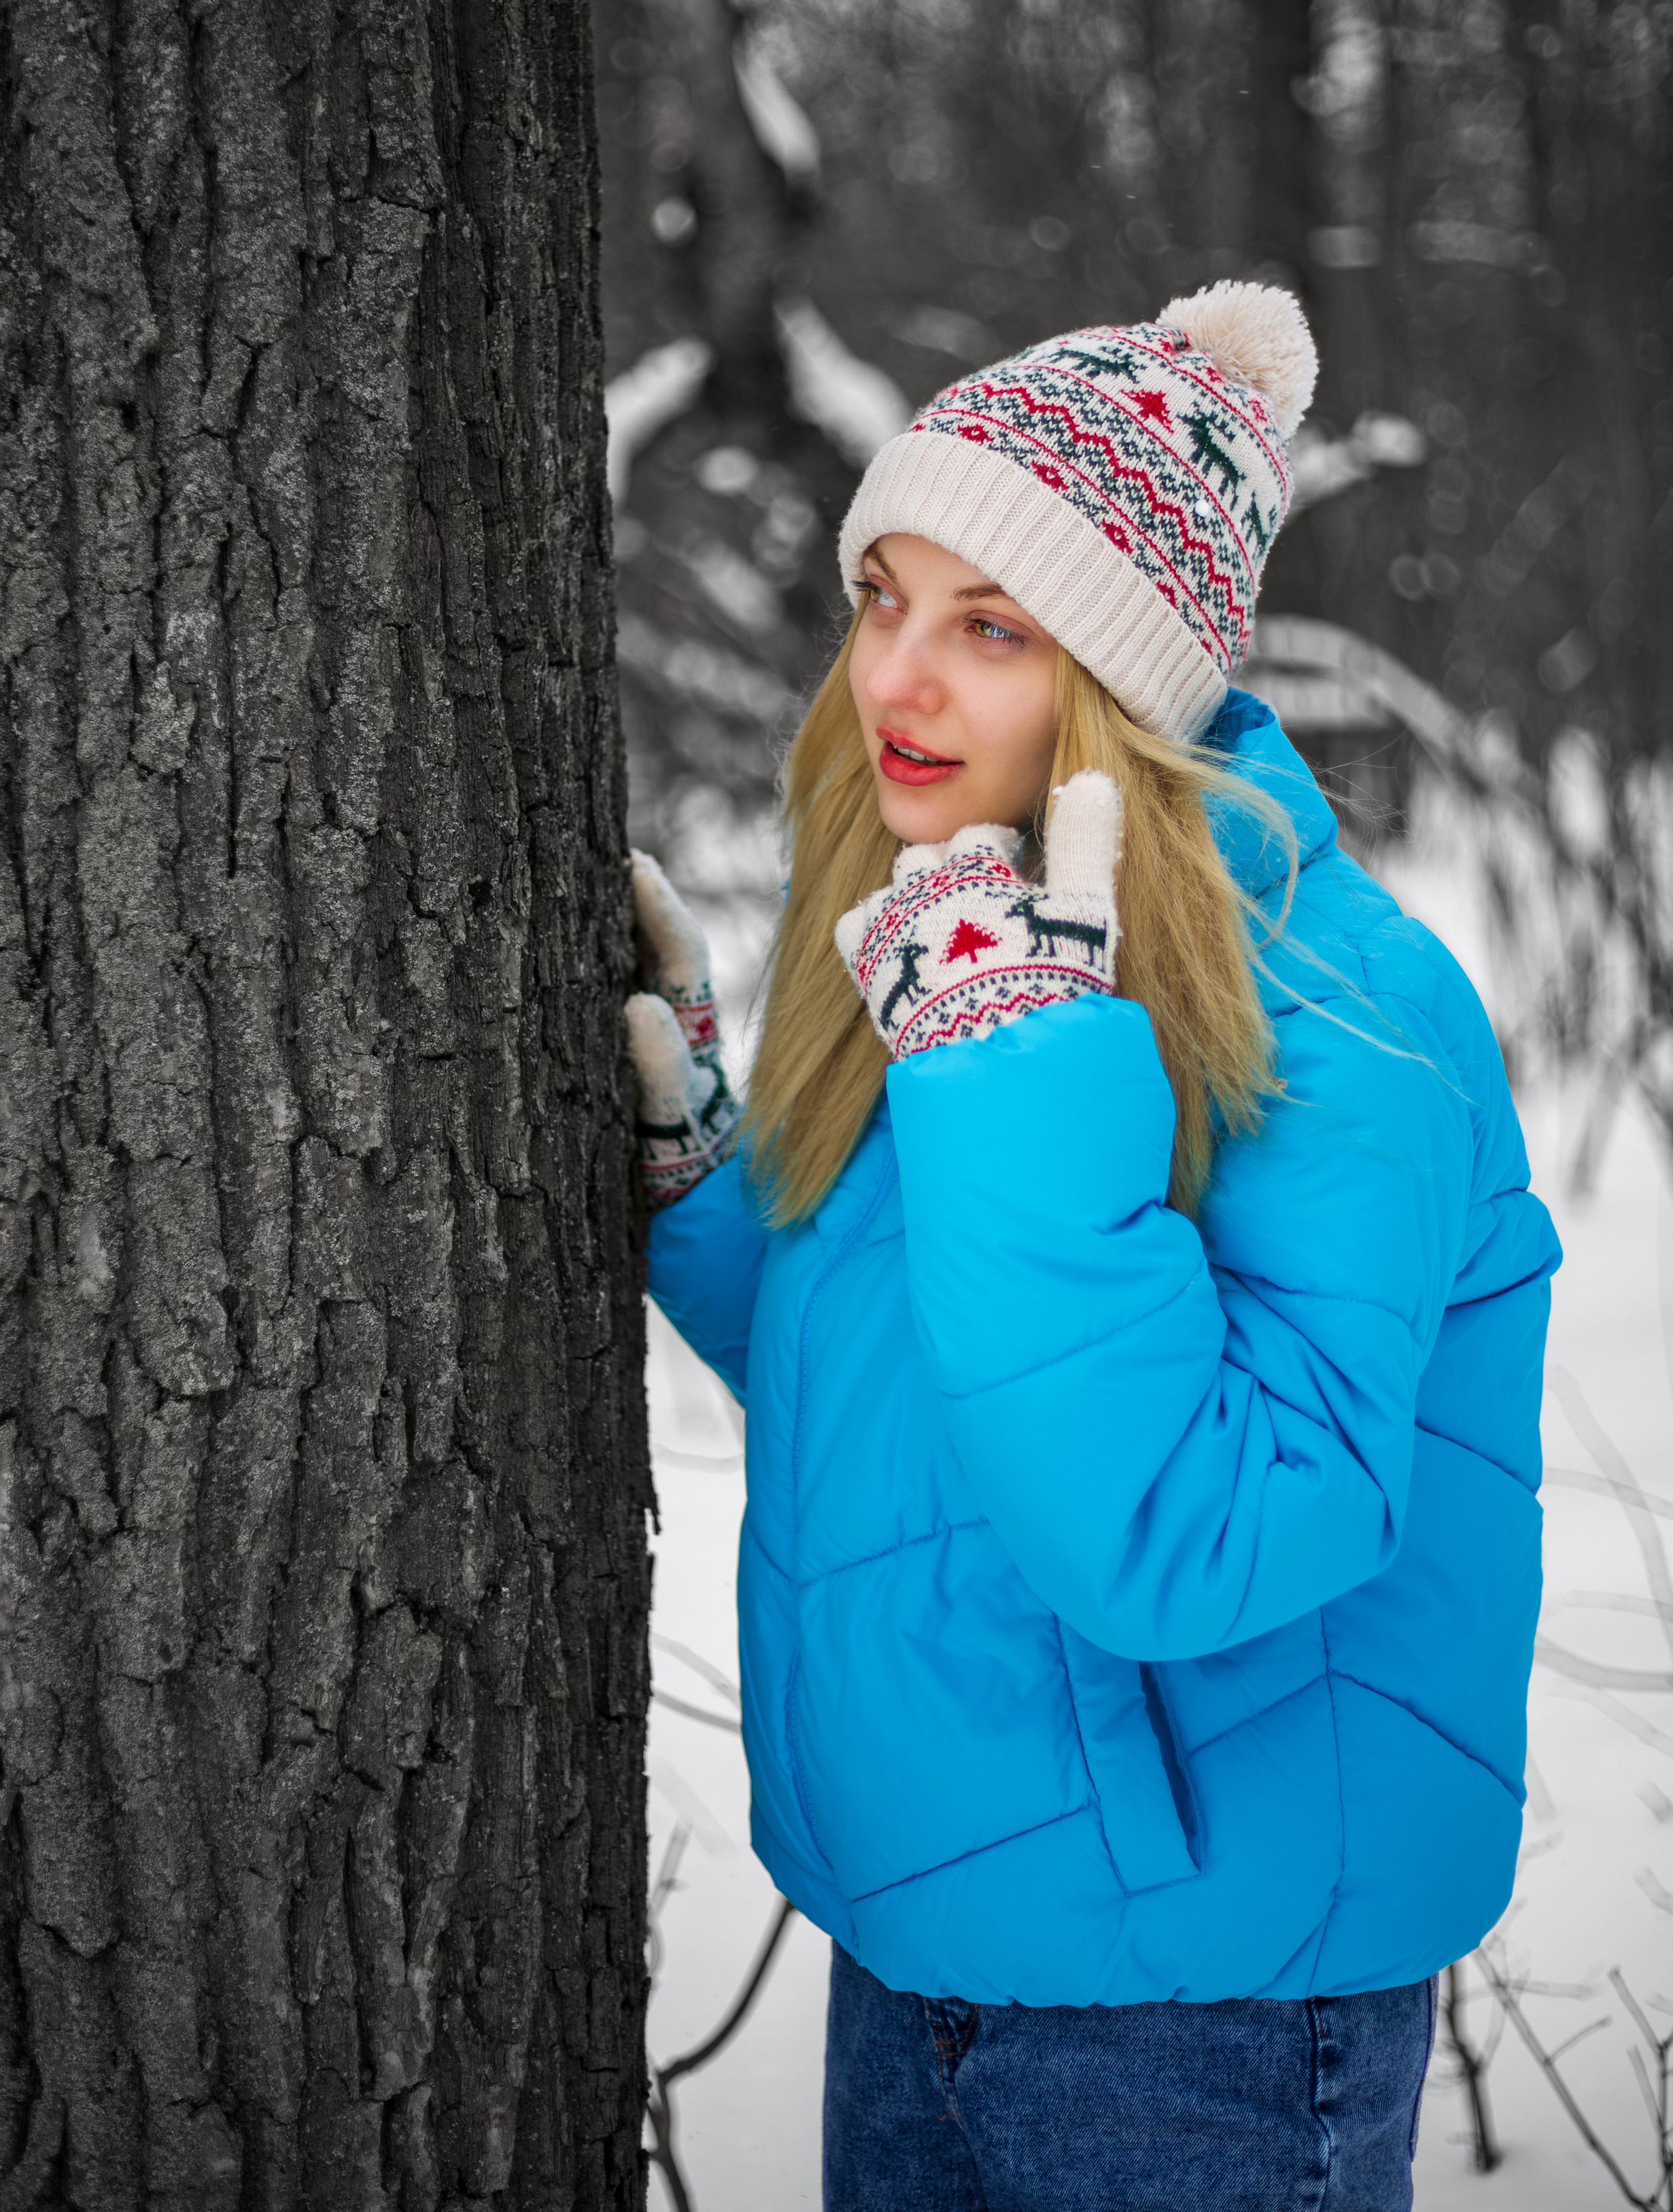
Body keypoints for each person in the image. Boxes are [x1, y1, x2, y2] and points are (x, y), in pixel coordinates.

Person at [625, 281, 1559, 2211]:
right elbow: (909, 1365)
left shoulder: (1346, 1016)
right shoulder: (955, 915)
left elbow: (1192, 1526)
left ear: (1127, 670)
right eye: (881, 597)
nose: (898, 681)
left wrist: (1017, 1059)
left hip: (1200, 2009)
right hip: (920, 1946)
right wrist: (694, 1154)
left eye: (992, 628)